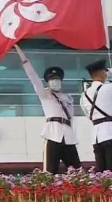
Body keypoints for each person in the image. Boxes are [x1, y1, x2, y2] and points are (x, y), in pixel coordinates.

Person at [15, 46, 81, 174]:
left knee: (77, 172)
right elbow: (33, 78)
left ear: (61, 81)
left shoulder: (68, 97)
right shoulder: (45, 94)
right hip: (53, 134)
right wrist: (24, 60)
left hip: (68, 136)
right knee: (49, 172)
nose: (54, 82)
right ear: (47, 82)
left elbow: (71, 117)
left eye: (57, 79)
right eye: (52, 80)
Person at [80, 59, 112, 175]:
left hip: (96, 135)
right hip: (111, 133)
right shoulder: (108, 88)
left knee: (101, 172)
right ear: (103, 73)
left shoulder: (84, 94)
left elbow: (88, 114)